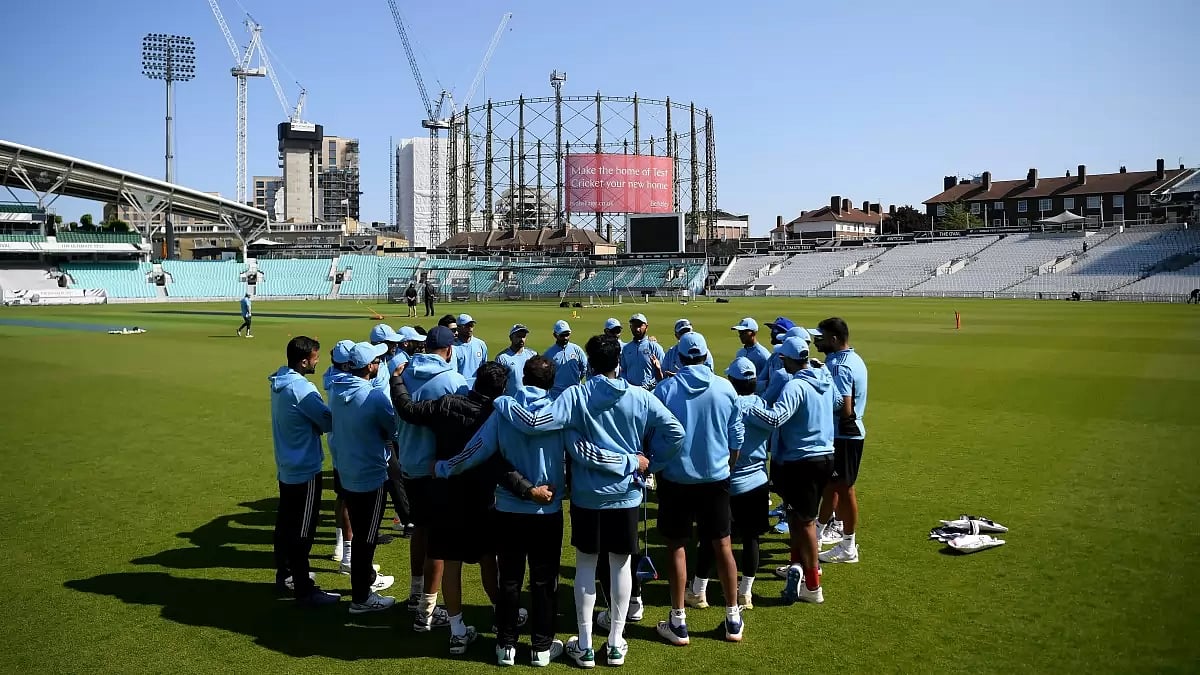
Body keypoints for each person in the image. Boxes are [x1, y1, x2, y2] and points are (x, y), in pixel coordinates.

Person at [492, 334, 685, 668]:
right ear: (619, 363)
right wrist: (651, 463)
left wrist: (503, 402)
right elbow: (675, 432)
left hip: (586, 495)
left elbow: (541, 424)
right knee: (620, 565)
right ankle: (615, 642)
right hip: (625, 494)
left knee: (585, 565)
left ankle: (584, 645)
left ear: (589, 364)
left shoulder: (575, 395)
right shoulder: (640, 396)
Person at [392, 360, 534, 654]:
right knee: (487, 559)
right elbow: (499, 464)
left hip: (445, 495)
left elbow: (408, 411)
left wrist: (397, 381)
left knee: (452, 563)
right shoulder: (495, 415)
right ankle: (500, 615)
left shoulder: (446, 404)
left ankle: (457, 631)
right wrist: (527, 489)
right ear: (501, 390)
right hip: (481, 498)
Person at [436, 356, 568, 667]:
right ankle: (541, 648)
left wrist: (444, 467)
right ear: (551, 382)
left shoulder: (503, 409)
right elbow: (575, 453)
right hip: (547, 511)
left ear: (523, 377)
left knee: (509, 578)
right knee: (543, 581)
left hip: (509, 509)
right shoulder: (562, 411)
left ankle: (505, 646)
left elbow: (475, 451)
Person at [651, 332, 746, 645]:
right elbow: (737, 439)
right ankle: (733, 617)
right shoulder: (725, 388)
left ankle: (678, 620)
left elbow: (654, 433)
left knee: (677, 546)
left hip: (676, 478)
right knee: (722, 545)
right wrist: (726, 466)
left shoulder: (666, 389)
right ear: (706, 357)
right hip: (715, 477)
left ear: (679, 358)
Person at [746, 337, 835, 605]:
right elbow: (838, 406)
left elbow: (776, 418)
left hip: (802, 461)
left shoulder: (795, 386)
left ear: (786, 360)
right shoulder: (824, 380)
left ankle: (813, 583)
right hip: (824, 456)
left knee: (805, 522)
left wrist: (748, 406)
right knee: (797, 517)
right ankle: (797, 566)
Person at [396, 326, 470, 628]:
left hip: (409, 465)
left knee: (421, 531)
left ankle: (416, 594)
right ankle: (426, 611)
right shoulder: (452, 380)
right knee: (439, 542)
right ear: (450, 350)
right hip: (437, 469)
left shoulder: (404, 373)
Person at [327, 341, 400, 614]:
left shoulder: (336, 390)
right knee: (366, 538)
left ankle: (365, 581)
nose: (379, 363)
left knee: (360, 534)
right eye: (376, 361)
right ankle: (361, 597)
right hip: (370, 473)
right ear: (370, 366)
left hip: (347, 469)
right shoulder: (374, 396)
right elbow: (392, 430)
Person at [692, 357, 771, 610]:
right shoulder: (762, 405)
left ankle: (698, 591)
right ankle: (745, 592)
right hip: (757, 480)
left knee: (709, 537)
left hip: (726, 480)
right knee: (751, 538)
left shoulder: (729, 404)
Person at [268, 336, 339, 606]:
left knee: (285, 523)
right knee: (303, 530)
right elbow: (326, 422)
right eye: (314, 357)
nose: (317, 361)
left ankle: (285, 574)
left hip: (287, 463)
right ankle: (304, 588)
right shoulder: (302, 389)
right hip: (306, 468)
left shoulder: (279, 381)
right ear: (303, 361)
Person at [813, 318, 869, 565]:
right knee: (831, 487)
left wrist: (818, 388)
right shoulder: (851, 359)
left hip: (844, 435)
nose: (817, 340)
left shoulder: (839, 367)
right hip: (846, 434)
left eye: (821, 337)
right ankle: (816, 535)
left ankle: (848, 546)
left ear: (834, 339)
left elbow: (844, 408)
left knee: (845, 490)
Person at [322, 340, 356, 565]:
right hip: (353, 449)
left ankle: (339, 545)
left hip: (337, 446)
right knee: (352, 501)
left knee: (342, 497)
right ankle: (349, 556)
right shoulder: (348, 384)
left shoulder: (331, 378)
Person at [620, 313, 666, 390]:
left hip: (651, 393)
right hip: (631, 392)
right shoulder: (626, 349)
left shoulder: (655, 347)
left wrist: (650, 385)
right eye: (634, 326)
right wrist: (627, 385)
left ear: (646, 327)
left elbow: (663, 370)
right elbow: (623, 370)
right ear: (630, 327)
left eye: (640, 325)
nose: (637, 329)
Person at [544, 320, 588, 398]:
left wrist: (576, 380)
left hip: (575, 393)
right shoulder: (549, 354)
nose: (565, 338)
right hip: (556, 395)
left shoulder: (576, 349)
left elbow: (584, 367)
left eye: (567, 334)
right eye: (562, 335)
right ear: (555, 335)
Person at [496, 324, 537, 396]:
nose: (521, 339)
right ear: (511, 338)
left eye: (523, 336)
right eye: (518, 336)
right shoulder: (502, 358)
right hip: (511, 401)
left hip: (529, 401)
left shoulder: (532, 355)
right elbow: (498, 383)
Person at [731, 318, 771, 391]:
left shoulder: (763, 355)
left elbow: (769, 380)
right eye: (740, 332)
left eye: (744, 332)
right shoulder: (740, 352)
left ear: (753, 333)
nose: (740, 335)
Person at [454, 313, 488, 383]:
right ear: (458, 328)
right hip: (459, 388)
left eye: (471, 325)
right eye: (466, 326)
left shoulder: (480, 344)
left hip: (477, 388)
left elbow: (484, 367)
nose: (470, 328)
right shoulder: (452, 347)